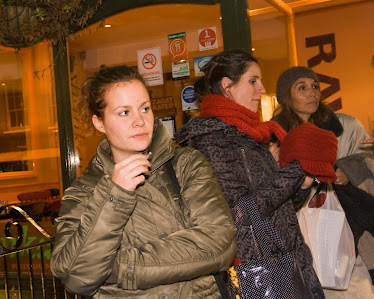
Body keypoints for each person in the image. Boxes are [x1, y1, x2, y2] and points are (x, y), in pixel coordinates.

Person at [50, 65, 237, 298]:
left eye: (145, 108)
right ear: (99, 122)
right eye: (124, 112)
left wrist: (123, 268)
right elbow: (78, 278)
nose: (139, 121)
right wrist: (115, 195)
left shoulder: (186, 164)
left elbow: (220, 244)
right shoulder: (83, 192)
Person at [176, 49, 337, 298]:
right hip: (260, 271)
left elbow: (279, 207)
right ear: (227, 86)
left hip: (287, 259)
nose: (261, 89)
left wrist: (303, 182)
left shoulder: (253, 134)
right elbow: (239, 211)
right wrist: (295, 171)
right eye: (253, 81)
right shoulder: (209, 141)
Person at [272, 66, 374, 298]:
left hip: (345, 220)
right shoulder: (274, 134)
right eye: (302, 88)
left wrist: (348, 170)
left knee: (354, 283)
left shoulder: (345, 126)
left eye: (315, 86)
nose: (312, 93)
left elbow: (368, 158)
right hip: (299, 223)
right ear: (286, 96)